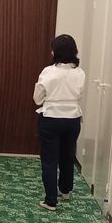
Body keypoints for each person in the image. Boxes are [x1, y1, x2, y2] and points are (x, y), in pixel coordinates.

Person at [33, 34, 85, 211]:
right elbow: (79, 95)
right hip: (72, 119)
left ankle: (51, 200)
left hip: (51, 118)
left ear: (56, 51)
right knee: (68, 156)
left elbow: (37, 99)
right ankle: (65, 190)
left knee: (49, 160)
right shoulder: (80, 73)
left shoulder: (48, 72)